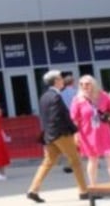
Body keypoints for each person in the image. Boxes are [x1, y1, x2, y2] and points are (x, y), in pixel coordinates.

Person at [26, 69, 89, 202]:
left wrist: (48, 135)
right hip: (60, 134)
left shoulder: (44, 96)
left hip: (49, 135)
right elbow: (59, 118)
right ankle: (84, 192)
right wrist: (74, 130)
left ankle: (33, 190)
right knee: (76, 161)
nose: (62, 80)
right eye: (60, 78)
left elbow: (44, 118)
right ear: (56, 81)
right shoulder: (55, 96)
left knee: (48, 162)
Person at [70, 75, 110, 186]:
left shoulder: (103, 95)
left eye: (87, 84)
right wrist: (76, 135)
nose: (84, 86)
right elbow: (74, 118)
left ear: (93, 84)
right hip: (87, 133)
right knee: (93, 159)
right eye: (81, 84)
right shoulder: (77, 100)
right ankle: (93, 185)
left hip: (104, 131)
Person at [59, 72, 78, 173]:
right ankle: (92, 160)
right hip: (77, 119)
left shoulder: (60, 94)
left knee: (69, 143)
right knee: (82, 141)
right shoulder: (76, 93)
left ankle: (69, 163)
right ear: (73, 82)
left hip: (66, 120)